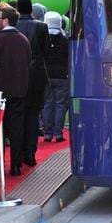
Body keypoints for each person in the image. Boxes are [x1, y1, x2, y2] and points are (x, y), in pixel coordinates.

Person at [0, 5, 31, 176]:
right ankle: (16, 165)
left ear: (6, 20)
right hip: (19, 92)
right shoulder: (23, 39)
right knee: (17, 129)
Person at [14, 0, 48, 168]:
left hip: (17, 75)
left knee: (18, 117)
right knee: (33, 116)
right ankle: (30, 153)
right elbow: (45, 51)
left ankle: (18, 155)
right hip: (36, 75)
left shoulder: (14, 26)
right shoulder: (42, 26)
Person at [42, 12, 69, 143]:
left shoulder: (43, 39)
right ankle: (58, 133)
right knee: (60, 104)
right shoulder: (65, 40)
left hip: (46, 76)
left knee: (47, 104)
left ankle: (48, 133)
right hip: (62, 76)